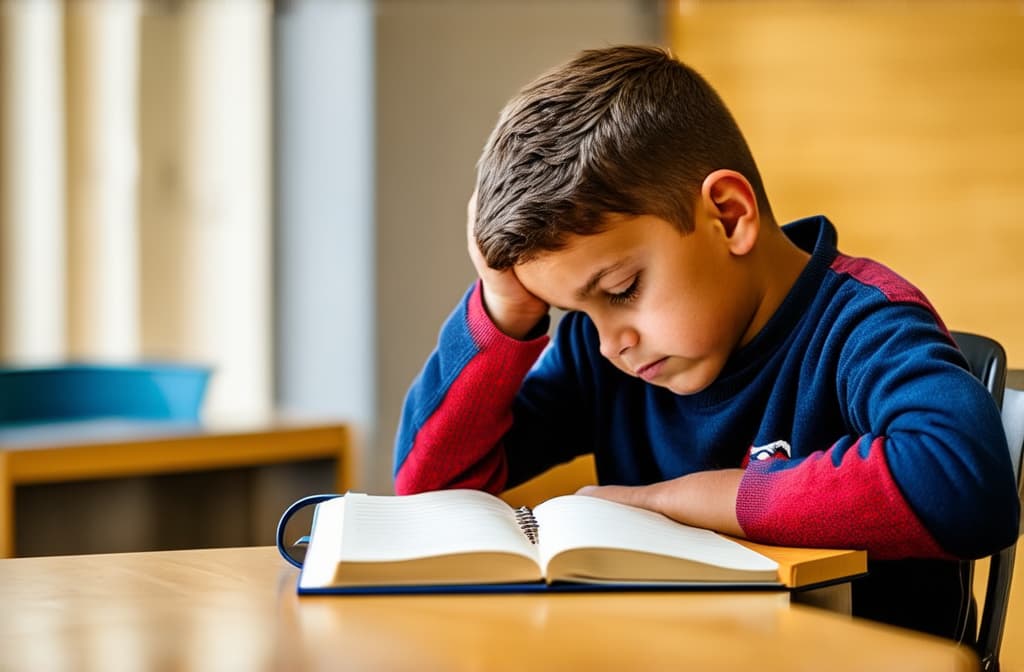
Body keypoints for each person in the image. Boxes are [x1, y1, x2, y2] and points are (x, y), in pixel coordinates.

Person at [392, 45, 1020, 641]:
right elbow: (431, 488)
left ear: (727, 214)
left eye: (621, 288)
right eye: (570, 309)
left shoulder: (863, 323)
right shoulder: (602, 350)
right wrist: (506, 311)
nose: (611, 342)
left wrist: (672, 501)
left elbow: (964, 487)